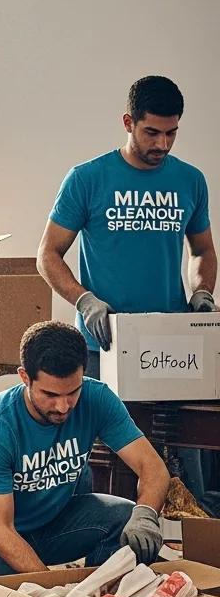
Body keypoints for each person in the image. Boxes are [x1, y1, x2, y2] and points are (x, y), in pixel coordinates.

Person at [37, 75, 216, 500]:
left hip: (172, 350)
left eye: (171, 133)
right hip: (106, 347)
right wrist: (85, 300)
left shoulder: (190, 181)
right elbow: (47, 255)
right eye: (151, 132)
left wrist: (202, 290)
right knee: (107, 466)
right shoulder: (88, 178)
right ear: (128, 122)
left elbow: (203, 250)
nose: (162, 144)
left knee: (182, 468)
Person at [0, 321, 170, 597]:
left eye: (72, 392)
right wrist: (55, 591)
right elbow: (0, 531)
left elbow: (153, 468)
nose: (63, 406)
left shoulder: (97, 398)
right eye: (51, 395)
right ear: (24, 377)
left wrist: (146, 515)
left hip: (54, 524)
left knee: (127, 516)